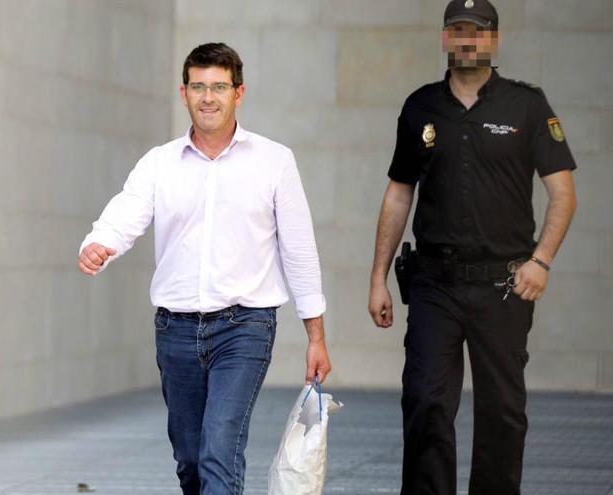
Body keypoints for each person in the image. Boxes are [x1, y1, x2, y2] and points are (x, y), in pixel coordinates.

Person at [78, 42, 331, 494]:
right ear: (184, 93)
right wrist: (100, 243)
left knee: (219, 450)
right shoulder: (160, 163)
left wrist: (316, 336)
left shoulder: (274, 162)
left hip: (244, 328)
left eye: (218, 87)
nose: (208, 97)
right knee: (191, 461)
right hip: (174, 329)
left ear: (239, 92)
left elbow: (299, 250)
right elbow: (126, 212)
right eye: (199, 86)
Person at [367, 1, 577, 493]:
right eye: (457, 31)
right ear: (444, 39)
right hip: (434, 285)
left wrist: (541, 261)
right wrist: (377, 277)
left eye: (476, 32)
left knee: (502, 412)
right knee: (425, 402)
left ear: (494, 40)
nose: (467, 40)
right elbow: (400, 192)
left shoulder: (527, 106)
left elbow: (563, 193)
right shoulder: (420, 106)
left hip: (505, 286)